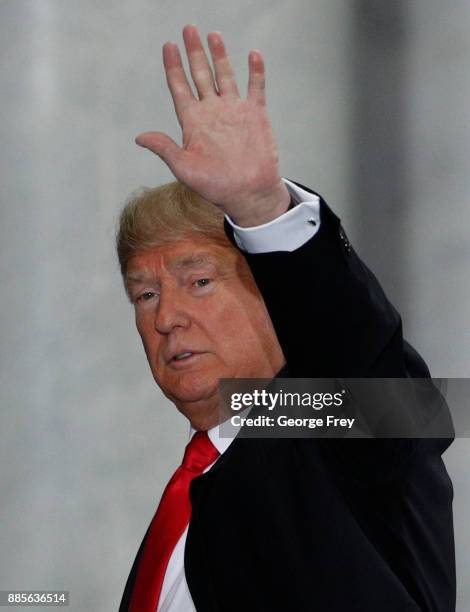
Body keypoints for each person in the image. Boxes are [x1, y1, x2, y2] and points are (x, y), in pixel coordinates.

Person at [117, 25, 455, 612]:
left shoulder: (337, 426)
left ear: (274, 294)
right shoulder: (194, 492)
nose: (167, 317)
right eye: (144, 296)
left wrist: (260, 210)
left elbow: (376, 375)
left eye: (199, 282)